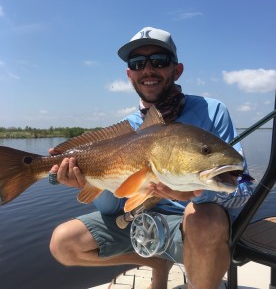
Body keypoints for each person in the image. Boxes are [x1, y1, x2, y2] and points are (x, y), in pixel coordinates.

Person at [49, 27, 253, 289]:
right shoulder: (128, 128)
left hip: (192, 230)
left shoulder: (212, 111)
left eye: (159, 61)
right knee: (63, 243)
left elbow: (244, 186)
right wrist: (90, 182)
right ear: (129, 75)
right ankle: (157, 264)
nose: (148, 69)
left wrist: (195, 193)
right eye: (137, 63)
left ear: (176, 70)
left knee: (204, 218)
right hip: (139, 222)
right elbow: (114, 209)